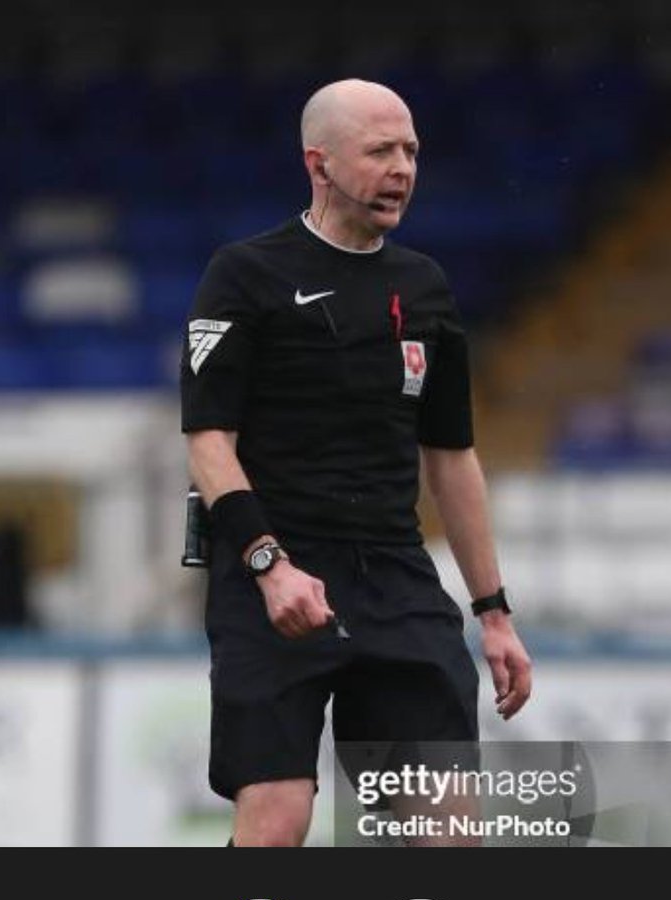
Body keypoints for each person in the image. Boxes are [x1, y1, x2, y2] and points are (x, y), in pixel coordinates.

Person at [182, 78, 532, 847]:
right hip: (273, 578)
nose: (402, 167)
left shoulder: (426, 288)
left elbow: (452, 457)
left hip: (396, 581)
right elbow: (209, 442)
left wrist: (494, 612)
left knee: (448, 835)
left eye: (411, 151)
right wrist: (269, 564)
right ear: (321, 163)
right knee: (278, 818)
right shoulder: (244, 276)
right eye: (381, 151)